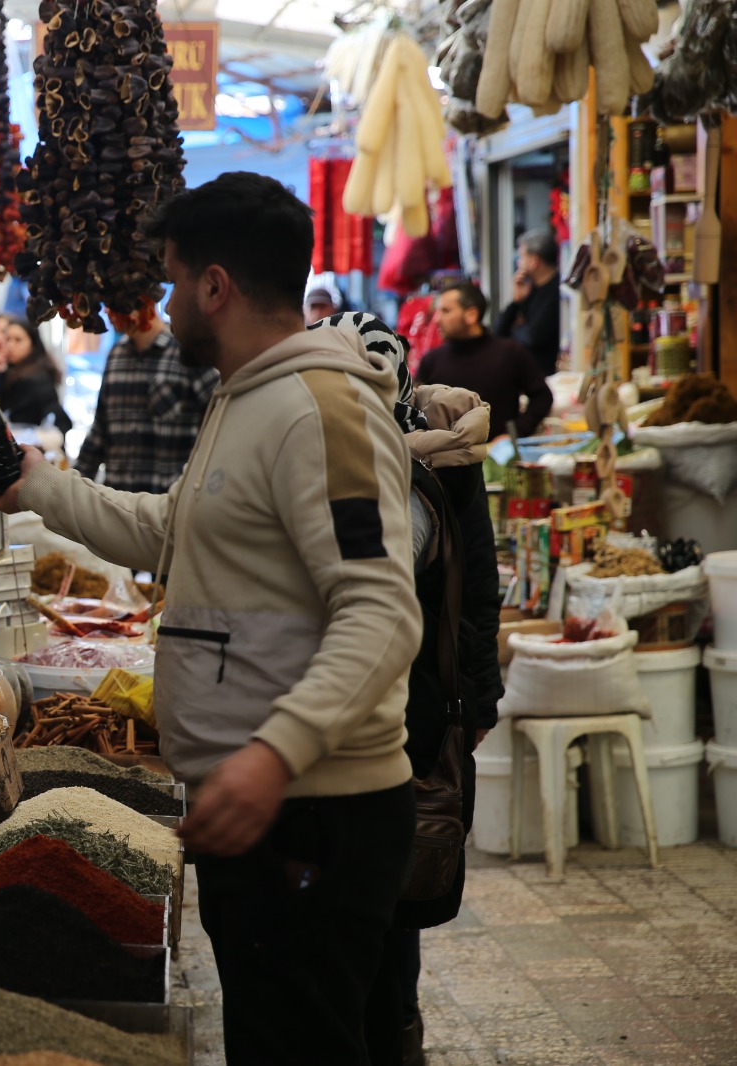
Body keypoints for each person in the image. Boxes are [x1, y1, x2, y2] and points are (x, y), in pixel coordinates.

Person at [0, 172, 421, 1064]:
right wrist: (35, 487)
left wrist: (272, 756)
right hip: (260, 804)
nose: (165, 300)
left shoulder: (320, 408)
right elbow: (166, 528)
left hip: (314, 813)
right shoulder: (244, 397)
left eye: (174, 278)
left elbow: (379, 609)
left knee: (302, 1045)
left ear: (215, 286)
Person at [317, 316, 503, 1066]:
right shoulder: (323, 445)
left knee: (388, 895)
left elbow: (477, 585)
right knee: (350, 891)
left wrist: (478, 700)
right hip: (335, 700)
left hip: (415, 703)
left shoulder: (447, 456)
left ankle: (393, 1036)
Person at [74, 317, 217, 492]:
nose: (108, 312)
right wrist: (72, 489)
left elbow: (221, 422)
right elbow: (100, 432)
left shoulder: (187, 354)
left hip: (167, 505)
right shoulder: (116, 354)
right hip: (117, 504)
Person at [418, 281, 553, 439]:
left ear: (471, 315)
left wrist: (513, 434)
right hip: (445, 459)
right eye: (437, 312)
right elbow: (415, 412)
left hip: (497, 457)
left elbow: (542, 397)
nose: (436, 320)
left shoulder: (509, 352)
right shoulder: (432, 361)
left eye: (445, 311)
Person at [0, 315, 72, 430]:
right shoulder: (10, 371)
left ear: (33, 343)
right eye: (8, 339)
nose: (10, 345)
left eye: (18, 340)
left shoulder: (35, 379)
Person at [494, 230, 562, 375]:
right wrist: (516, 301)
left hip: (544, 375)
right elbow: (499, 333)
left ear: (534, 261)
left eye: (521, 257)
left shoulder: (556, 291)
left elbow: (533, 337)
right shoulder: (530, 289)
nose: (518, 262)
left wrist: (516, 328)